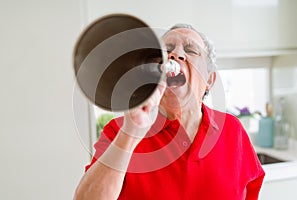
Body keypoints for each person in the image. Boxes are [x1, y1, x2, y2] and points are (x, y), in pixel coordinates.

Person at [74, 24, 265, 200]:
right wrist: (130, 134)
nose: (175, 55)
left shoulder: (233, 130)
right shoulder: (119, 131)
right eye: (167, 50)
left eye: (190, 50)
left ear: (209, 80)